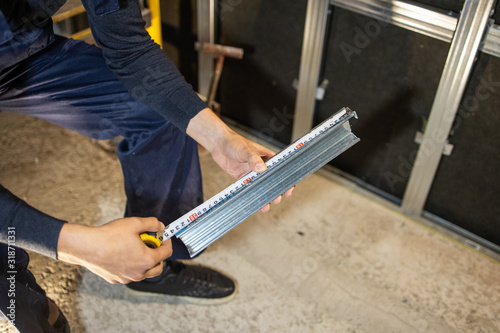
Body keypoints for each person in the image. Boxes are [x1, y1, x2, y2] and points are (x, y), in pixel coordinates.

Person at [0, 0, 293, 332]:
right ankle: (30, 311)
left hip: (25, 55)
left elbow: (130, 51)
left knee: (164, 112)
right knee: (9, 269)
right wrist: (76, 246)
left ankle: (151, 262)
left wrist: (219, 138)